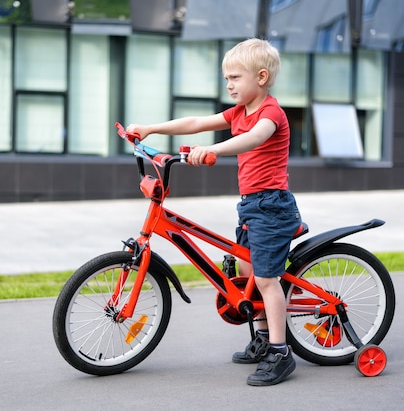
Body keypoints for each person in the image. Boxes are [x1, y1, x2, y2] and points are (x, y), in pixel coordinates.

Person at [126, 38, 302, 386]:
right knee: (250, 271)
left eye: (235, 77)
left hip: (273, 206)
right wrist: (151, 128)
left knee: (267, 278)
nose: (229, 85)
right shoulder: (238, 112)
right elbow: (195, 122)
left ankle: (281, 353)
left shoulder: (271, 114)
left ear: (262, 77)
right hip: (252, 205)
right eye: (226, 79)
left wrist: (212, 151)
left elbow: (252, 139)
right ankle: (264, 337)